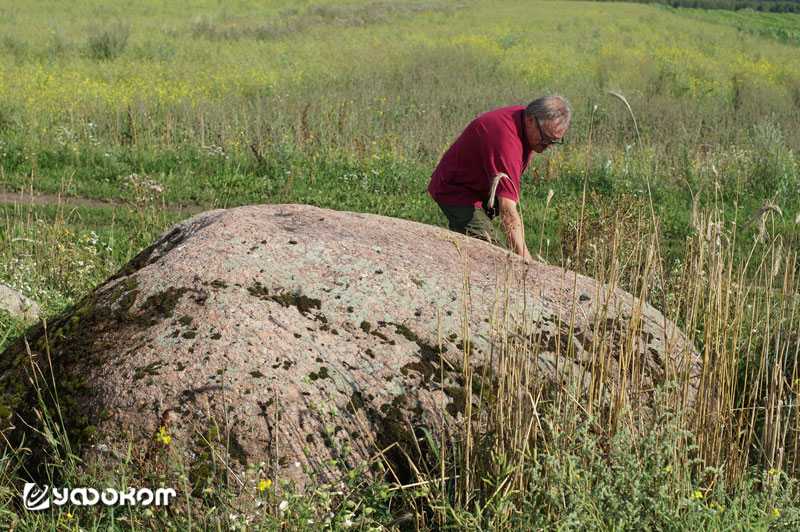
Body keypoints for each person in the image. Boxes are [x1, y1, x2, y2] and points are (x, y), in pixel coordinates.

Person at [428, 95, 571, 261]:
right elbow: (507, 211)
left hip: (479, 187)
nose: (550, 146)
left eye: (555, 141)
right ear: (531, 120)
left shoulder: (525, 119)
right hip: (456, 190)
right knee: (494, 256)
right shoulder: (506, 142)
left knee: (472, 248)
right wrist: (528, 263)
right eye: (546, 139)